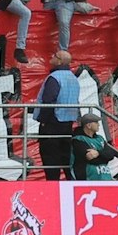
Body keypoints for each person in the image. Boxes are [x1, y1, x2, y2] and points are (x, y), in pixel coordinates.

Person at [34, 52, 80, 182]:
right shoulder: (73, 78)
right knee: (66, 156)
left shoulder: (54, 78)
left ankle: (53, 185)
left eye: (54, 56)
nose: (52, 57)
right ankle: (70, 183)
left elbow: (48, 101)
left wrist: (43, 120)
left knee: (50, 157)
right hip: (68, 122)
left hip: (53, 122)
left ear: (60, 61)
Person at [73, 112, 118, 180]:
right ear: (89, 125)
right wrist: (104, 157)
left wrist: (98, 153)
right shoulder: (78, 140)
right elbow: (91, 159)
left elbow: (111, 154)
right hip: (88, 179)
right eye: (96, 122)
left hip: (104, 177)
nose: (99, 125)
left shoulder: (100, 138)